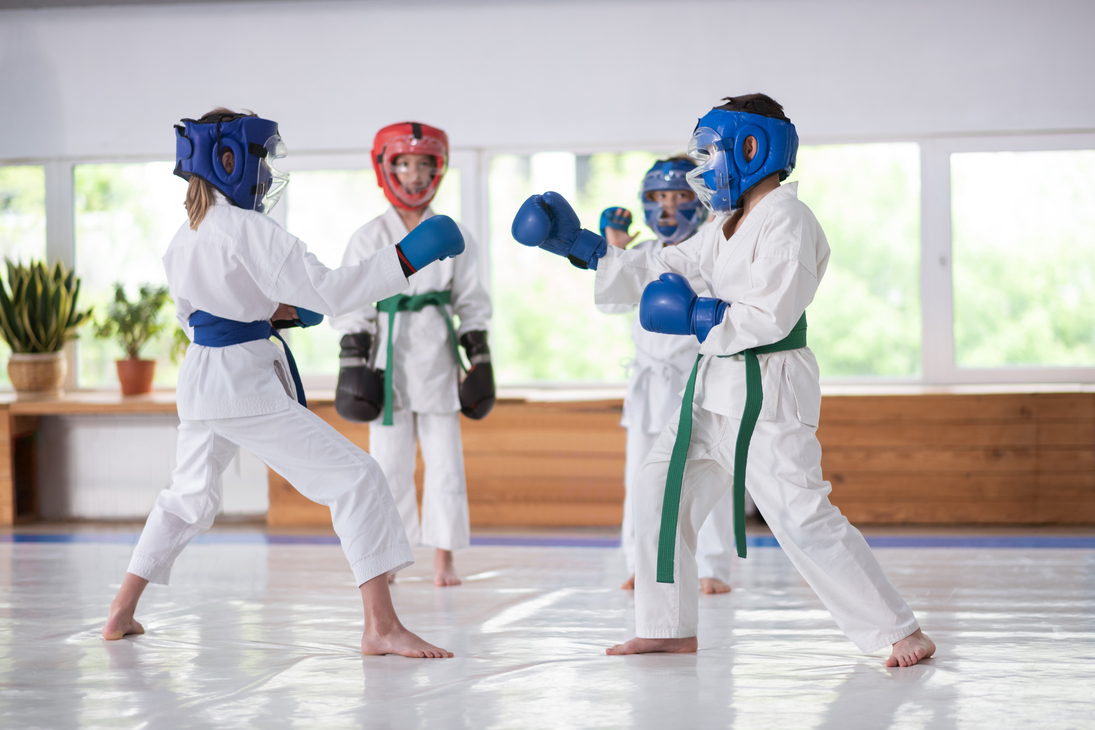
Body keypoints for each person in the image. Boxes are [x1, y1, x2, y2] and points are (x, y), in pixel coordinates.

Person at [511, 95, 935, 667]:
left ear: (751, 148)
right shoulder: (722, 223)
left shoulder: (788, 219)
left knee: (800, 515)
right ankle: (666, 626)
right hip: (714, 386)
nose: (705, 168)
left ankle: (899, 631)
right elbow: (666, 265)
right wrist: (583, 247)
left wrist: (695, 316)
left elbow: (771, 314)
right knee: (660, 490)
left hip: (767, 386)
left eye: (711, 153)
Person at [101, 109, 464, 659]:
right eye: (262, 159)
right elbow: (334, 294)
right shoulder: (252, 230)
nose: (268, 173)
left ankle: (120, 611)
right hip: (242, 385)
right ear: (229, 160)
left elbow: (200, 318)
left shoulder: (185, 234)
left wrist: (271, 313)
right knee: (358, 478)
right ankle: (382, 627)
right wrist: (410, 255)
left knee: (188, 497)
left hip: (201, 379)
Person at [332, 121, 493, 587]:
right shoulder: (368, 236)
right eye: (404, 164)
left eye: (424, 165)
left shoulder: (456, 234)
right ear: (387, 168)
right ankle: (390, 559)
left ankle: (444, 558)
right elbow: (352, 300)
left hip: (438, 356)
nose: (415, 174)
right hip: (386, 363)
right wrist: (352, 359)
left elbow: (471, 300)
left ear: (438, 169)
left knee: (446, 464)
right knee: (388, 467)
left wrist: (479, 358)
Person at [596, 158, 739, 594]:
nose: (668, 208)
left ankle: (713, 565)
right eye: (659, 197)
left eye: (679, 197)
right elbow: (611, 304)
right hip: (647, 385)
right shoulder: (641, 255)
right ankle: (638, 562)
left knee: (707, 472)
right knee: (640, 476)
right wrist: (613, 249)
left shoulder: (714, 250)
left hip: (699, 378)